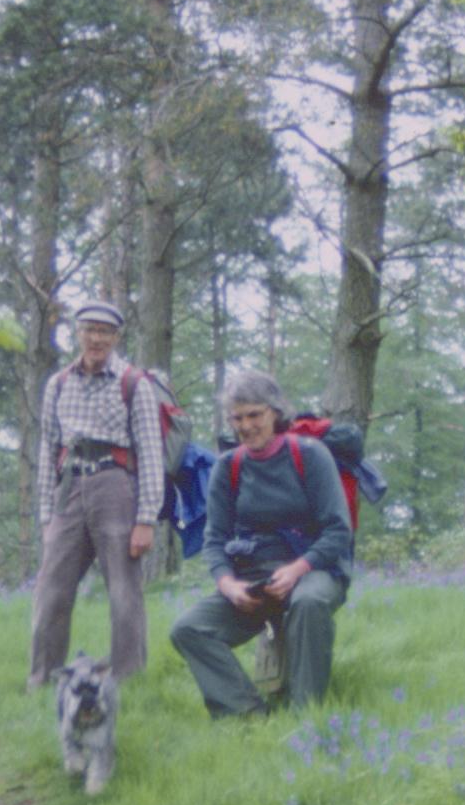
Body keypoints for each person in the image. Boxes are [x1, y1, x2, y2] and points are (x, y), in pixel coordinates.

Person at [169, 372, 354, 717]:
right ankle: (248, 714)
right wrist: (228, 585)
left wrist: (299, 569)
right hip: (255, 577)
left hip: (314, 569)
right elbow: (215, 539)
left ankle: (306, 715)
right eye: (237, 418)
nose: (246, 425)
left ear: (275, 413)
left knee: (309, 602)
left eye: (255, 415)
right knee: (188, 629)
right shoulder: (229, 466)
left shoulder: (311, 455)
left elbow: (338, 531)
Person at [26, 301, 165, 687]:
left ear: (116, 337)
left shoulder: (134, 384)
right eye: (89, 329)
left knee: (124, 591)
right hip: (69, 487)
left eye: (105, 331)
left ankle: (127, 681)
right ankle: (43, 680)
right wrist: (45, 514)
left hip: (115, 486)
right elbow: (48, 449)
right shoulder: (58, 384)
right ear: (78, 333)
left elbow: (151, 452)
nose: (96, 338)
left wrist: (146, 518)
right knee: (51, 590)